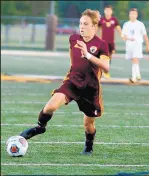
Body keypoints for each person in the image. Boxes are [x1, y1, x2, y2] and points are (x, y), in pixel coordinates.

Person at [19, 9, 110, 155]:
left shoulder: (102, 44)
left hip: (91, 89)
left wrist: (87, 55)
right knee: (49, 107)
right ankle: (40, 127)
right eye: (80, 23)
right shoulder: (73, 39)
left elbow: (106, 67)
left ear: (94, 26)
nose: (82, 26)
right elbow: (73, 60)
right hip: (72, 82)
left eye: (85, 24)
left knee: (88, 125)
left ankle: (89, 144)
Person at [121, 8, 149, 83]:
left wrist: (148, 45)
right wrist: (128, 38)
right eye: (131, 14)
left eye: (134, 14)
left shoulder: (140, 24)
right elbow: (123, 36)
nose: (132, 15)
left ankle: (134, 78)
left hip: (137, 44)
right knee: (133, 60)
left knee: (135, 59)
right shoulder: (126, 24)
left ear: (136, 15)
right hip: (129, 45)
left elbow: (145, 35)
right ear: (129, 15)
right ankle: (138, 74)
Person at [98, 5, 122, 78]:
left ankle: (106, 71)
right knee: (102, 57)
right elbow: (97, 29)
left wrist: (123, 35)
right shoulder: (101, 20)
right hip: (103, 42)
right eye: (106, 10)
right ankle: (101, 71)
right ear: (104, 11)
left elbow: (119, 29)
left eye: (109, 10)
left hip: (111, 43)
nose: (108, 12)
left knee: (109, 57)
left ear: (111, 11)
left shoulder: (114, 20)